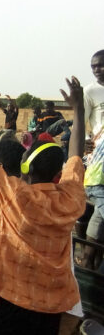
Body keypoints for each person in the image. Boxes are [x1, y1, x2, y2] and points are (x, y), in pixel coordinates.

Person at [0, 78, 85, 334]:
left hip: (13, 301)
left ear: (27, 168)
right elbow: (76, 156)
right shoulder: (71, 199)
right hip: (52, 307)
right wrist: (79, 110)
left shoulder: (15, 194)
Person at [81, 50, 104, 270]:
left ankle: (91, 261)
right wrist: (84, 142)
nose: (97, 69)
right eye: (93, 66)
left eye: (100, 65)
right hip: (100, 158)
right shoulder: (90, 91)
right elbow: (82, 122)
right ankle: (88, 260)